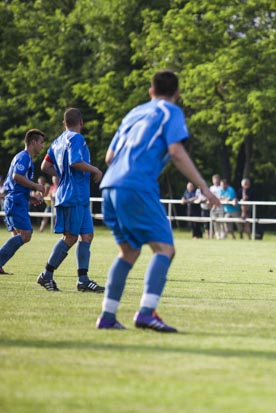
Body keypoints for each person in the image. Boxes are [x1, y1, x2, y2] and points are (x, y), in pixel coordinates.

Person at [97, 69, 220, 332]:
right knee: (165, 250)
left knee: (128, 252)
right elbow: (176, 151)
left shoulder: (134, 113)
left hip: (109, 185)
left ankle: (107, 316)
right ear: (177, 94)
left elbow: (109, 157)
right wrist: (204, 188)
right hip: (136, 185)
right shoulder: (171, 111)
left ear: (151, 91)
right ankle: (145, 313)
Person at [37, 109, 105, 293]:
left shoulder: (57, 141)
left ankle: (83, 280)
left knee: (87, 235)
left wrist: (61, 174)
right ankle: (46, 274)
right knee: (70, 237)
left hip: (78, 196)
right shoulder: (76, 138)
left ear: (64, 123)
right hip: (73, 195)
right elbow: (75, 162)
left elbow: (45, 166)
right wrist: (95, 170)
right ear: (81, 122)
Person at [0, 129, 46, 275]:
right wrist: (36, 186)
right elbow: (16, 176)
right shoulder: (24, 157)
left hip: (16, 199)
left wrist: (30, 197)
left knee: (18, 236)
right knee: (26, 234)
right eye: (41, 142)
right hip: (15, 201)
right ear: (33, 142)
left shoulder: (25, 157)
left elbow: (17, 184)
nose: (42, 146)